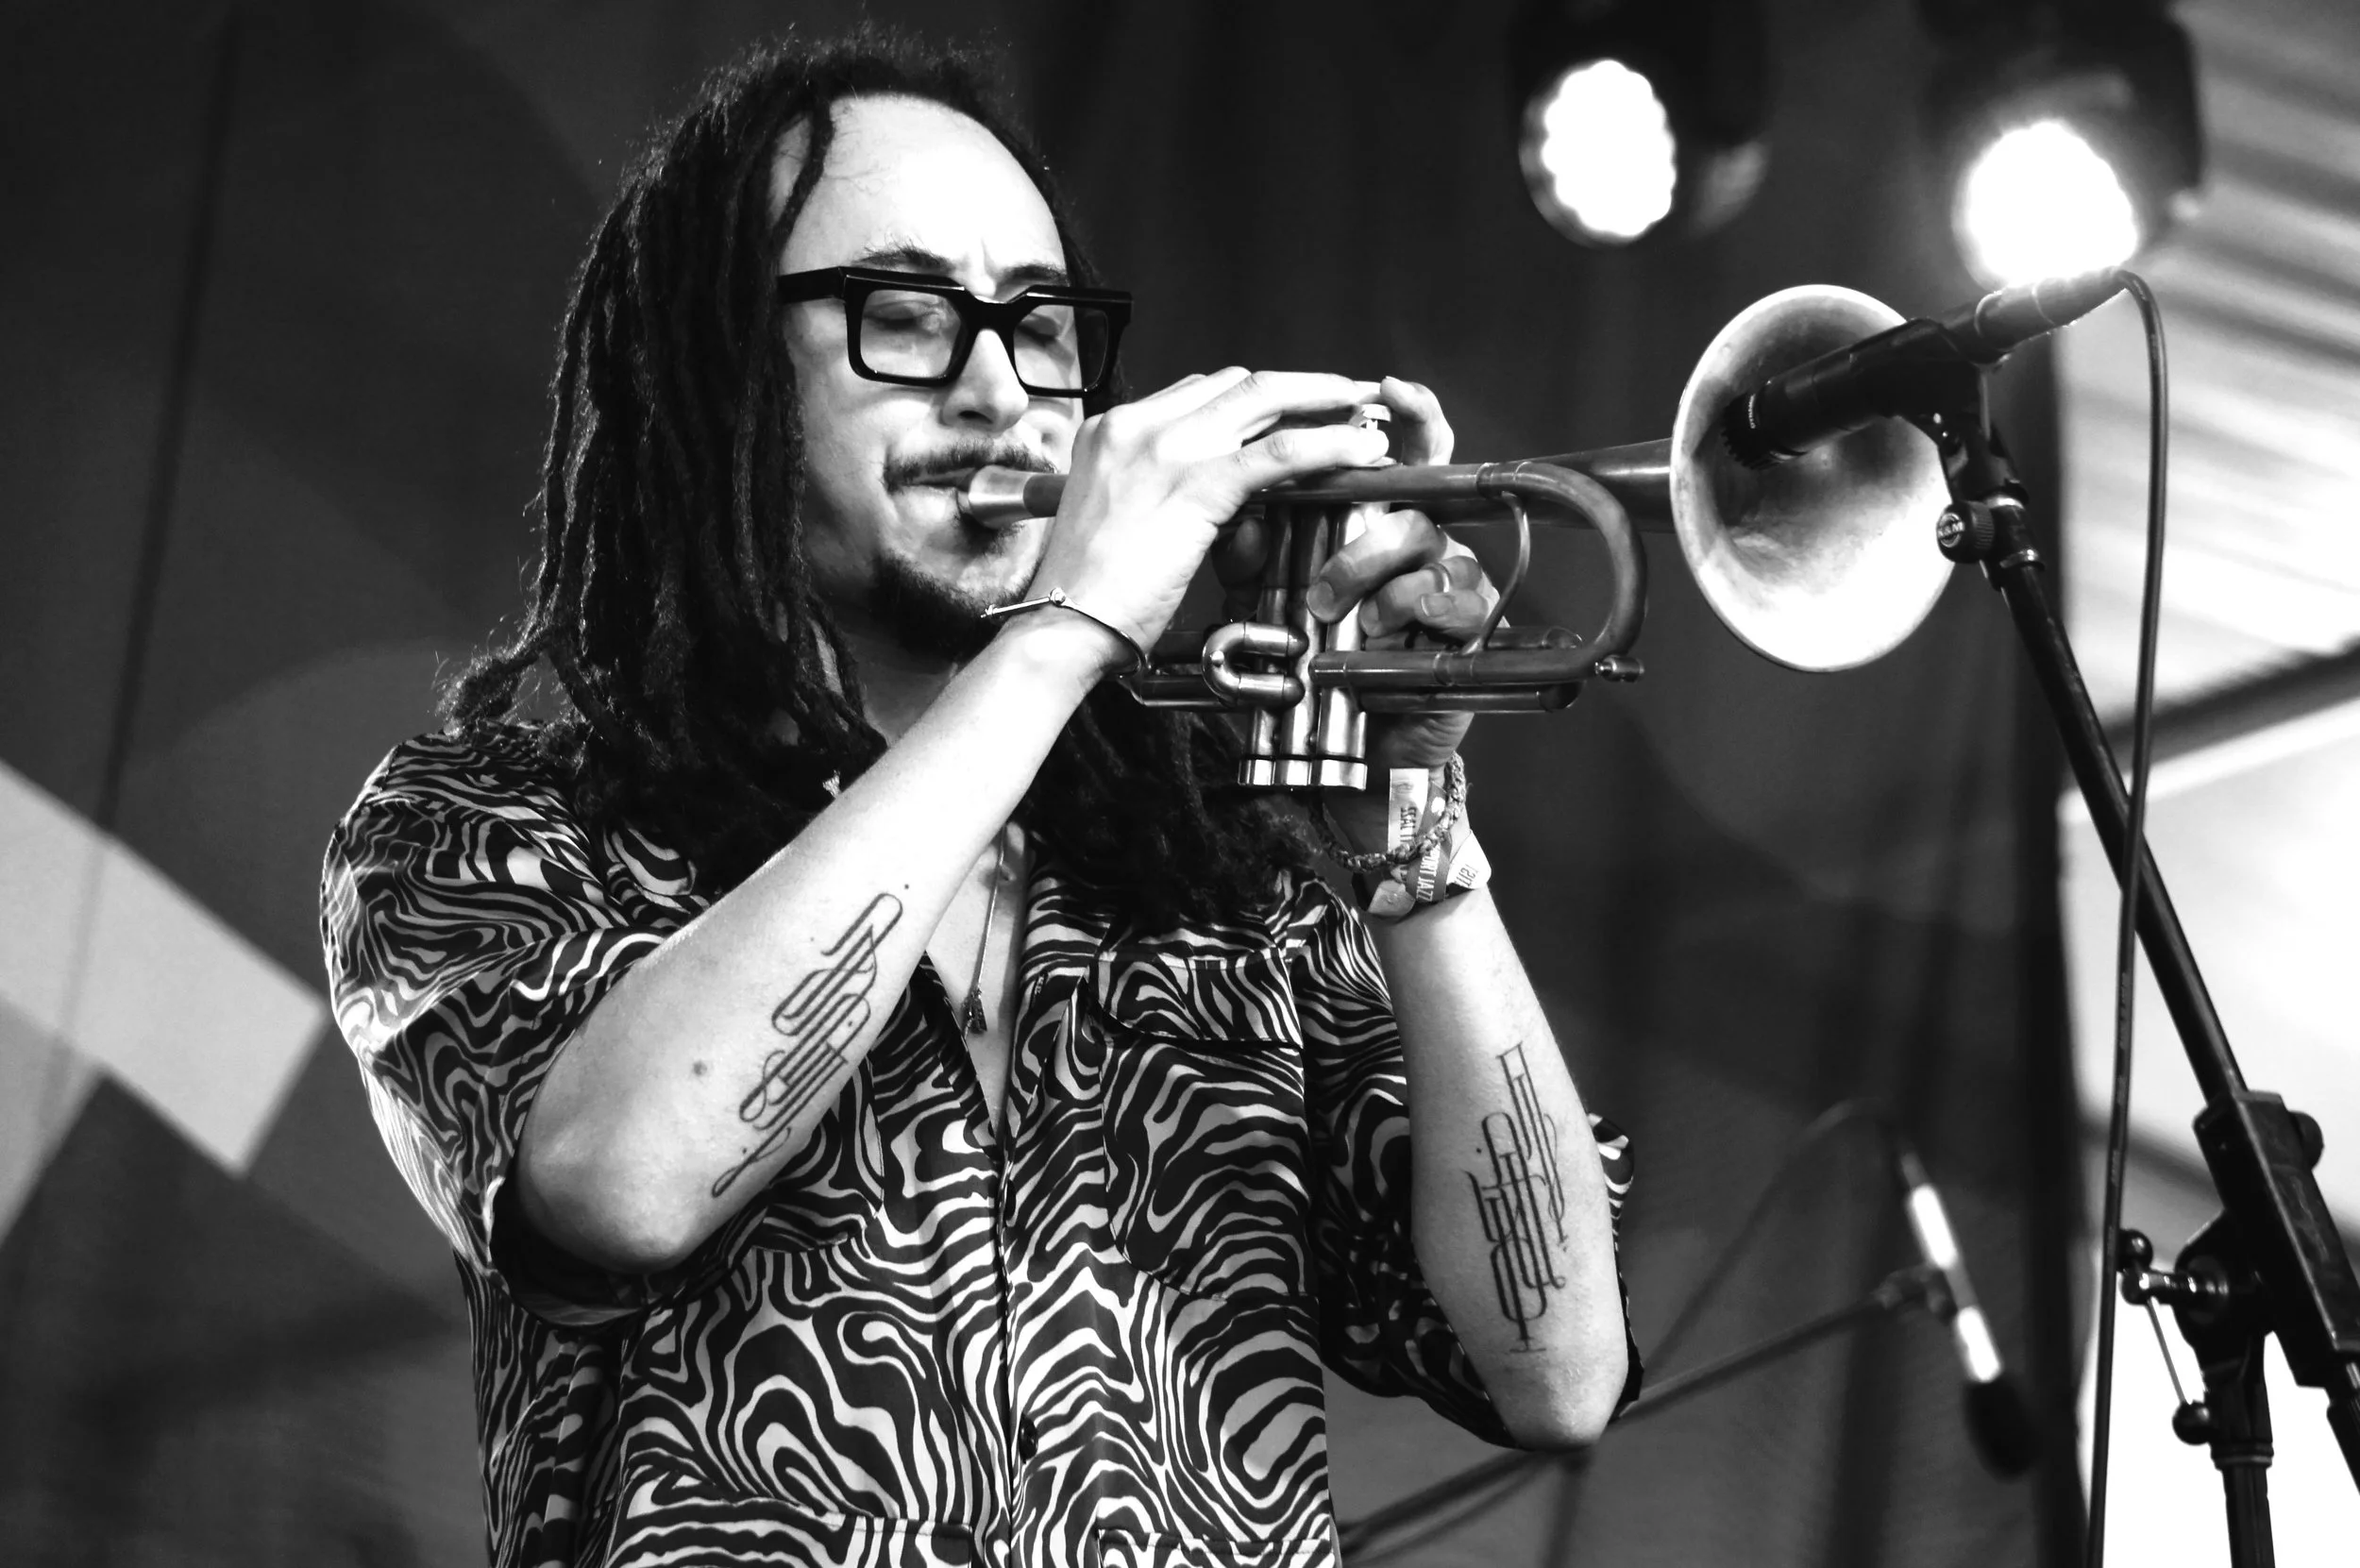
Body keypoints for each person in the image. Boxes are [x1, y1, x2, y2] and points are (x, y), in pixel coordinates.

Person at [322, 31, 1637, 1568]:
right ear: (717, 366)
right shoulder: (482, 820)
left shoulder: (1225, 871)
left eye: (1042, 327)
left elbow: (1555, 1368)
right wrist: (1068, 634)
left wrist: (1420, 824)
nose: (1004, 390)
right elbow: (619, 1189)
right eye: (904, 317)